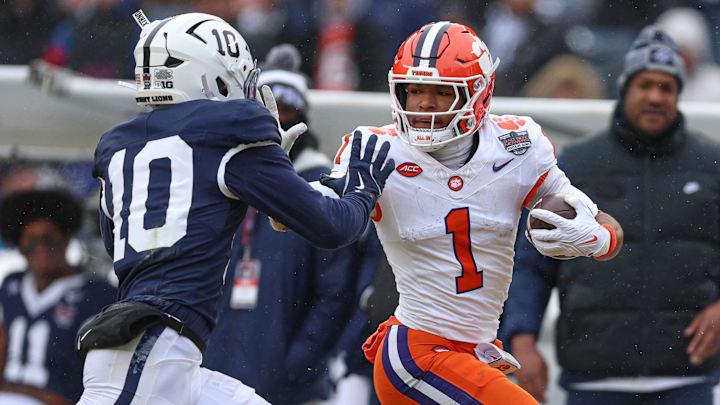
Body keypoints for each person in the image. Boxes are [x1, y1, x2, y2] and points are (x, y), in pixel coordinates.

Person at [75, 11, 394, 405]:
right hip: (153, 354)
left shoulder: (119, 147)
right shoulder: (227, 134)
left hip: (157, 351)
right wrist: (362, 189)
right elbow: (333, 228)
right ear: (212, 73)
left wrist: (278, 195)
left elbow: (128, 244)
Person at [315, 21, 623, 405]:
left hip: (473, 352)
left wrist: (598, 239)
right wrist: (283, 190)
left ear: (480, 93)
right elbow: (309, 214)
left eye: (441, 92)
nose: (423, 103)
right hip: (416, 352)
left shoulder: (517, 145)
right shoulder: (377, 149)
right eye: (414, 89)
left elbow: (604, 224)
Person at [500, 25, 720, 405]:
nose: (655, 96)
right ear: (624, 89)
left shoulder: (711, 164)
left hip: (687, 376)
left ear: (679, 94)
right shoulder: (575, 165)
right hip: (593, 376)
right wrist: (521, 339)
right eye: (645, 85)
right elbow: (530, 263)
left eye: (666, 87)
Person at [202, 43, 382, 404]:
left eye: (288, 110)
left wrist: (301, 363)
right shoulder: (231, 182)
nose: (279, 117)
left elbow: (335, 291)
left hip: (288, 383)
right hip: (221, 366)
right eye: (269, 109)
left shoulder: (317, 187)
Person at [0, 189, 116, 405]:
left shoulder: (95, 293)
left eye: (49, 239)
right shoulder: (11, 285)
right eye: (31, 240)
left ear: (65, 239)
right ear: (20, 245)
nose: (41, 248)